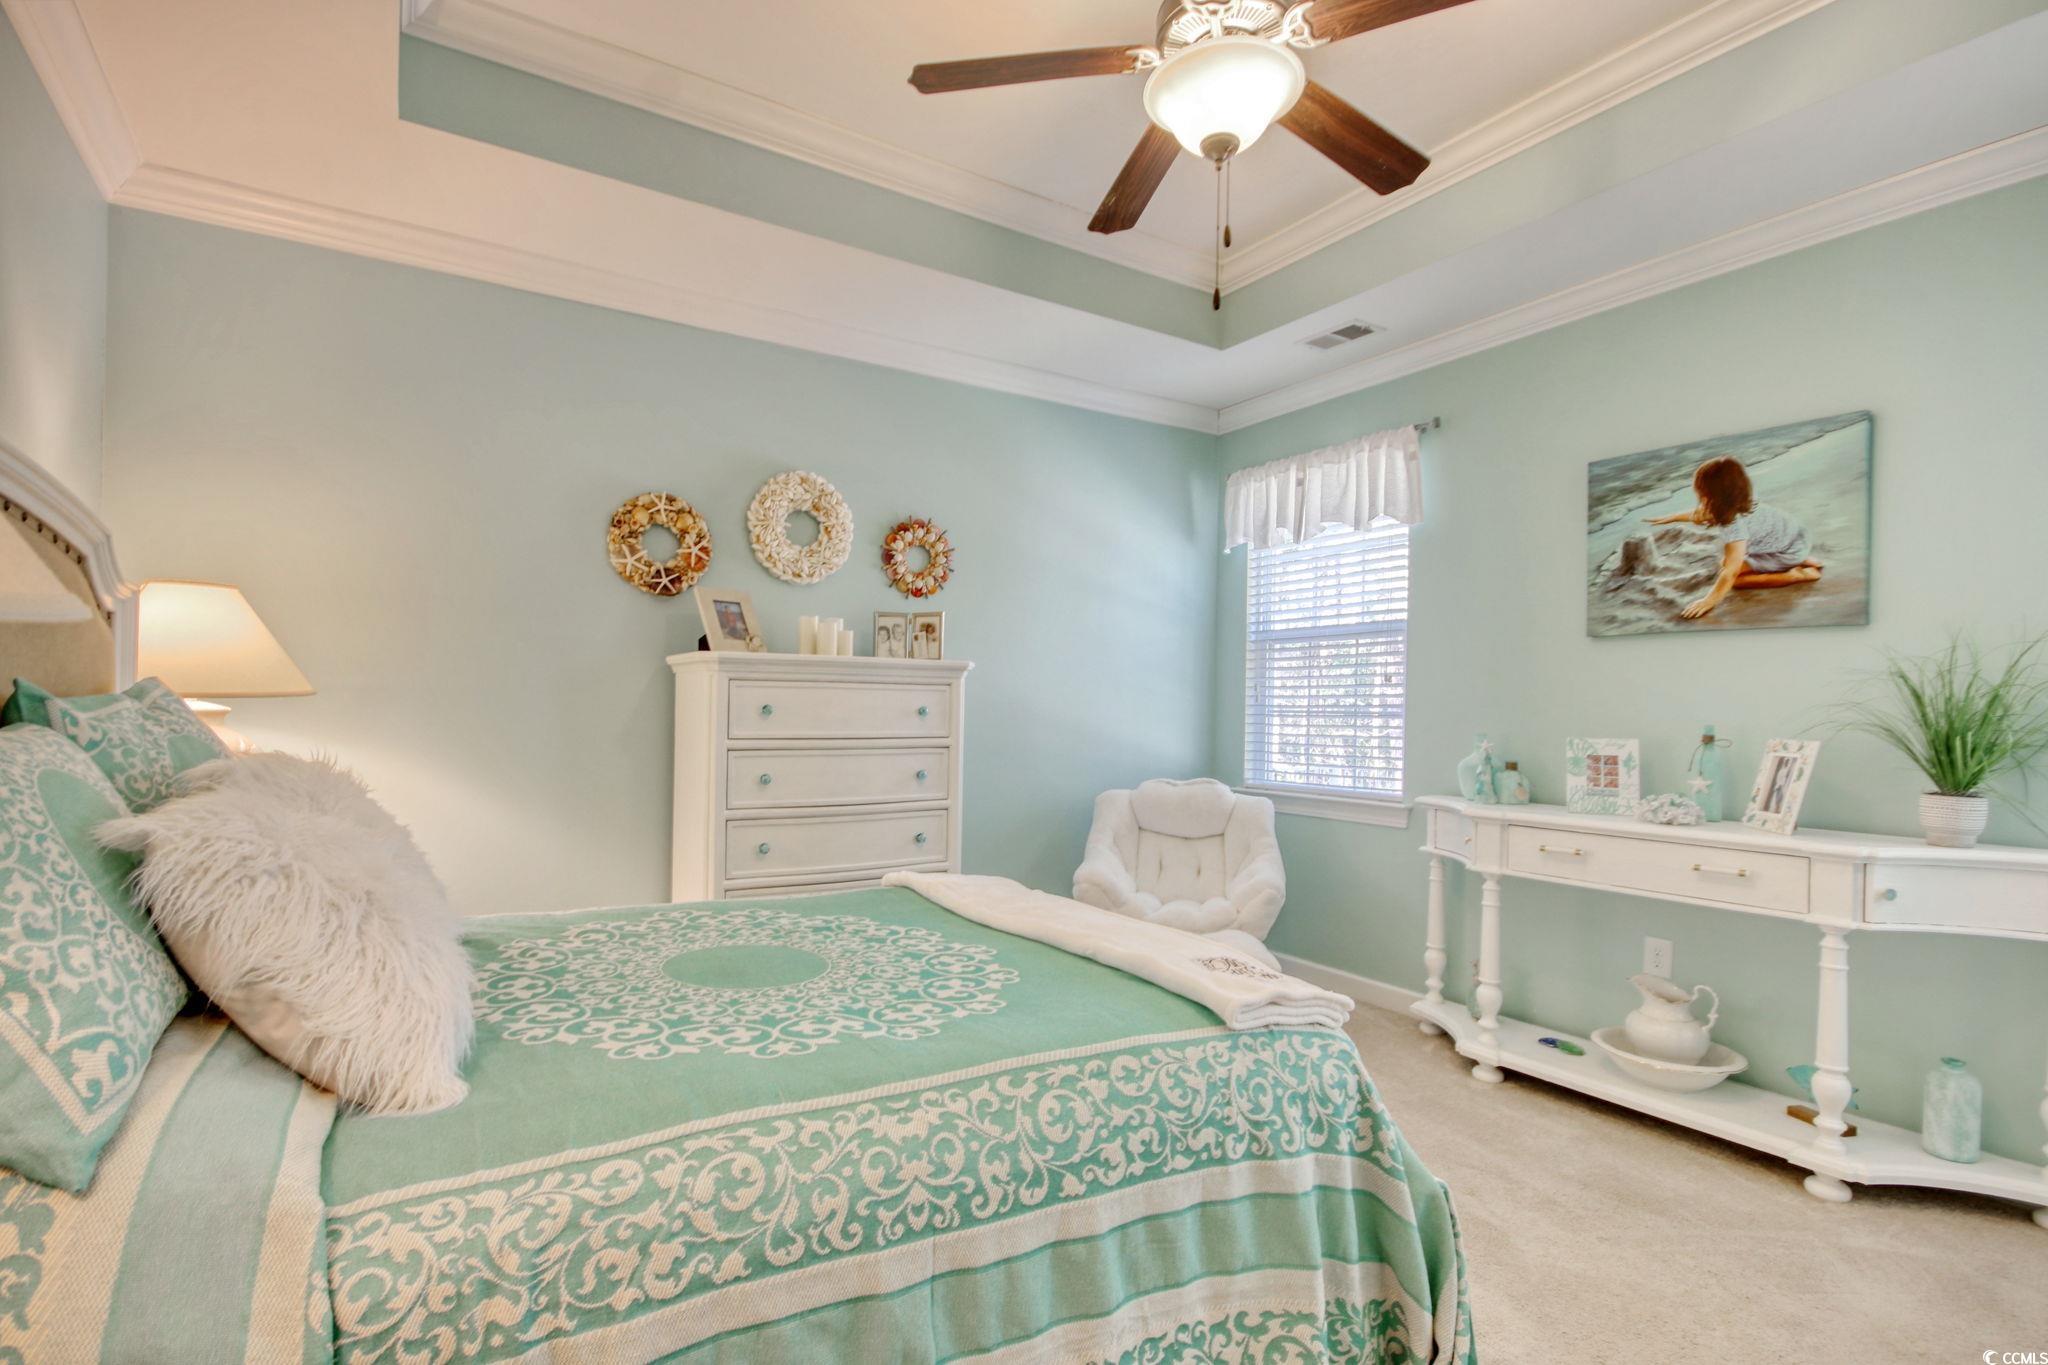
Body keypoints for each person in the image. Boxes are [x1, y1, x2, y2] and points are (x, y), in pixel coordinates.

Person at [1645, 455, 1822, 619]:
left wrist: (1709, 600)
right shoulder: (1743, 502)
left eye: (1702, 491)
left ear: (1711, 495)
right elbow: (1702, 515)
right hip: (1796, 537)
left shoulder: (1734, 524)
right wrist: (1673, 518)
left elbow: (1731, 571)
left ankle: (1797, 574)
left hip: (1786, 551)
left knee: (1735, 580)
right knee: (1725, 563)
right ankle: (1801, 557)